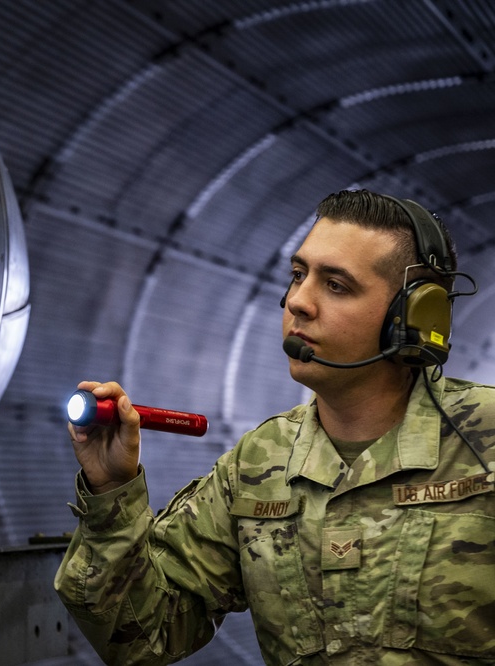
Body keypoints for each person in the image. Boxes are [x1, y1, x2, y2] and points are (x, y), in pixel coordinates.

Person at [54, 188, 495, 664]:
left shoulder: (484, 442)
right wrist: (112, 491)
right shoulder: (257, 464)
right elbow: (140, 636)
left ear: (414, 315)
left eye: (336, 285)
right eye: (298, 275)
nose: (297, 302)